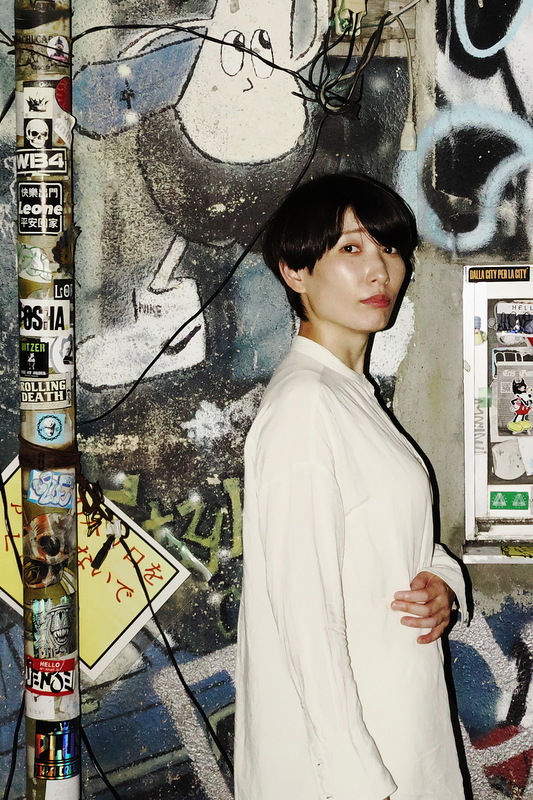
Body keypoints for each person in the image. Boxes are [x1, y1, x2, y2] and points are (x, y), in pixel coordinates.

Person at [234, 173, 468, 800]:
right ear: (295, 272)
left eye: (389, 248)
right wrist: (353, 776)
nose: (379, 270)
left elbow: (388, 535)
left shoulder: (348, 395)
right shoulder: (306, 405)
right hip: (352, 762)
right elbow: (303, 611)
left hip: (398, 719)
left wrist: (443, 581)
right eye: (350, 248)